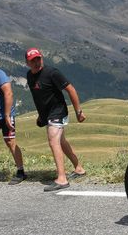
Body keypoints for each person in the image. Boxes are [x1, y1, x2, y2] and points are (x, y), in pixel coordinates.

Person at [25, 48, 87, 192]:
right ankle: (79, 169)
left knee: (53, 140)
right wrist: (41, 115)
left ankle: (62, 179)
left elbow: (71, 89)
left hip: (58, 111)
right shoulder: (29, 76)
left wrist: (79, 111)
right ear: (27, 62)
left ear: (42, 58)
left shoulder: (52, 73)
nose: (36, 62)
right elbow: (38, 97)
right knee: (61, 142)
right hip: (47, 114)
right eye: (32, 60)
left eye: (38, 59)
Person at [0, 68, 26, 185]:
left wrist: (7, 115)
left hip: (5, 115)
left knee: (10, 141)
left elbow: (8, 92)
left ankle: (21, 171)